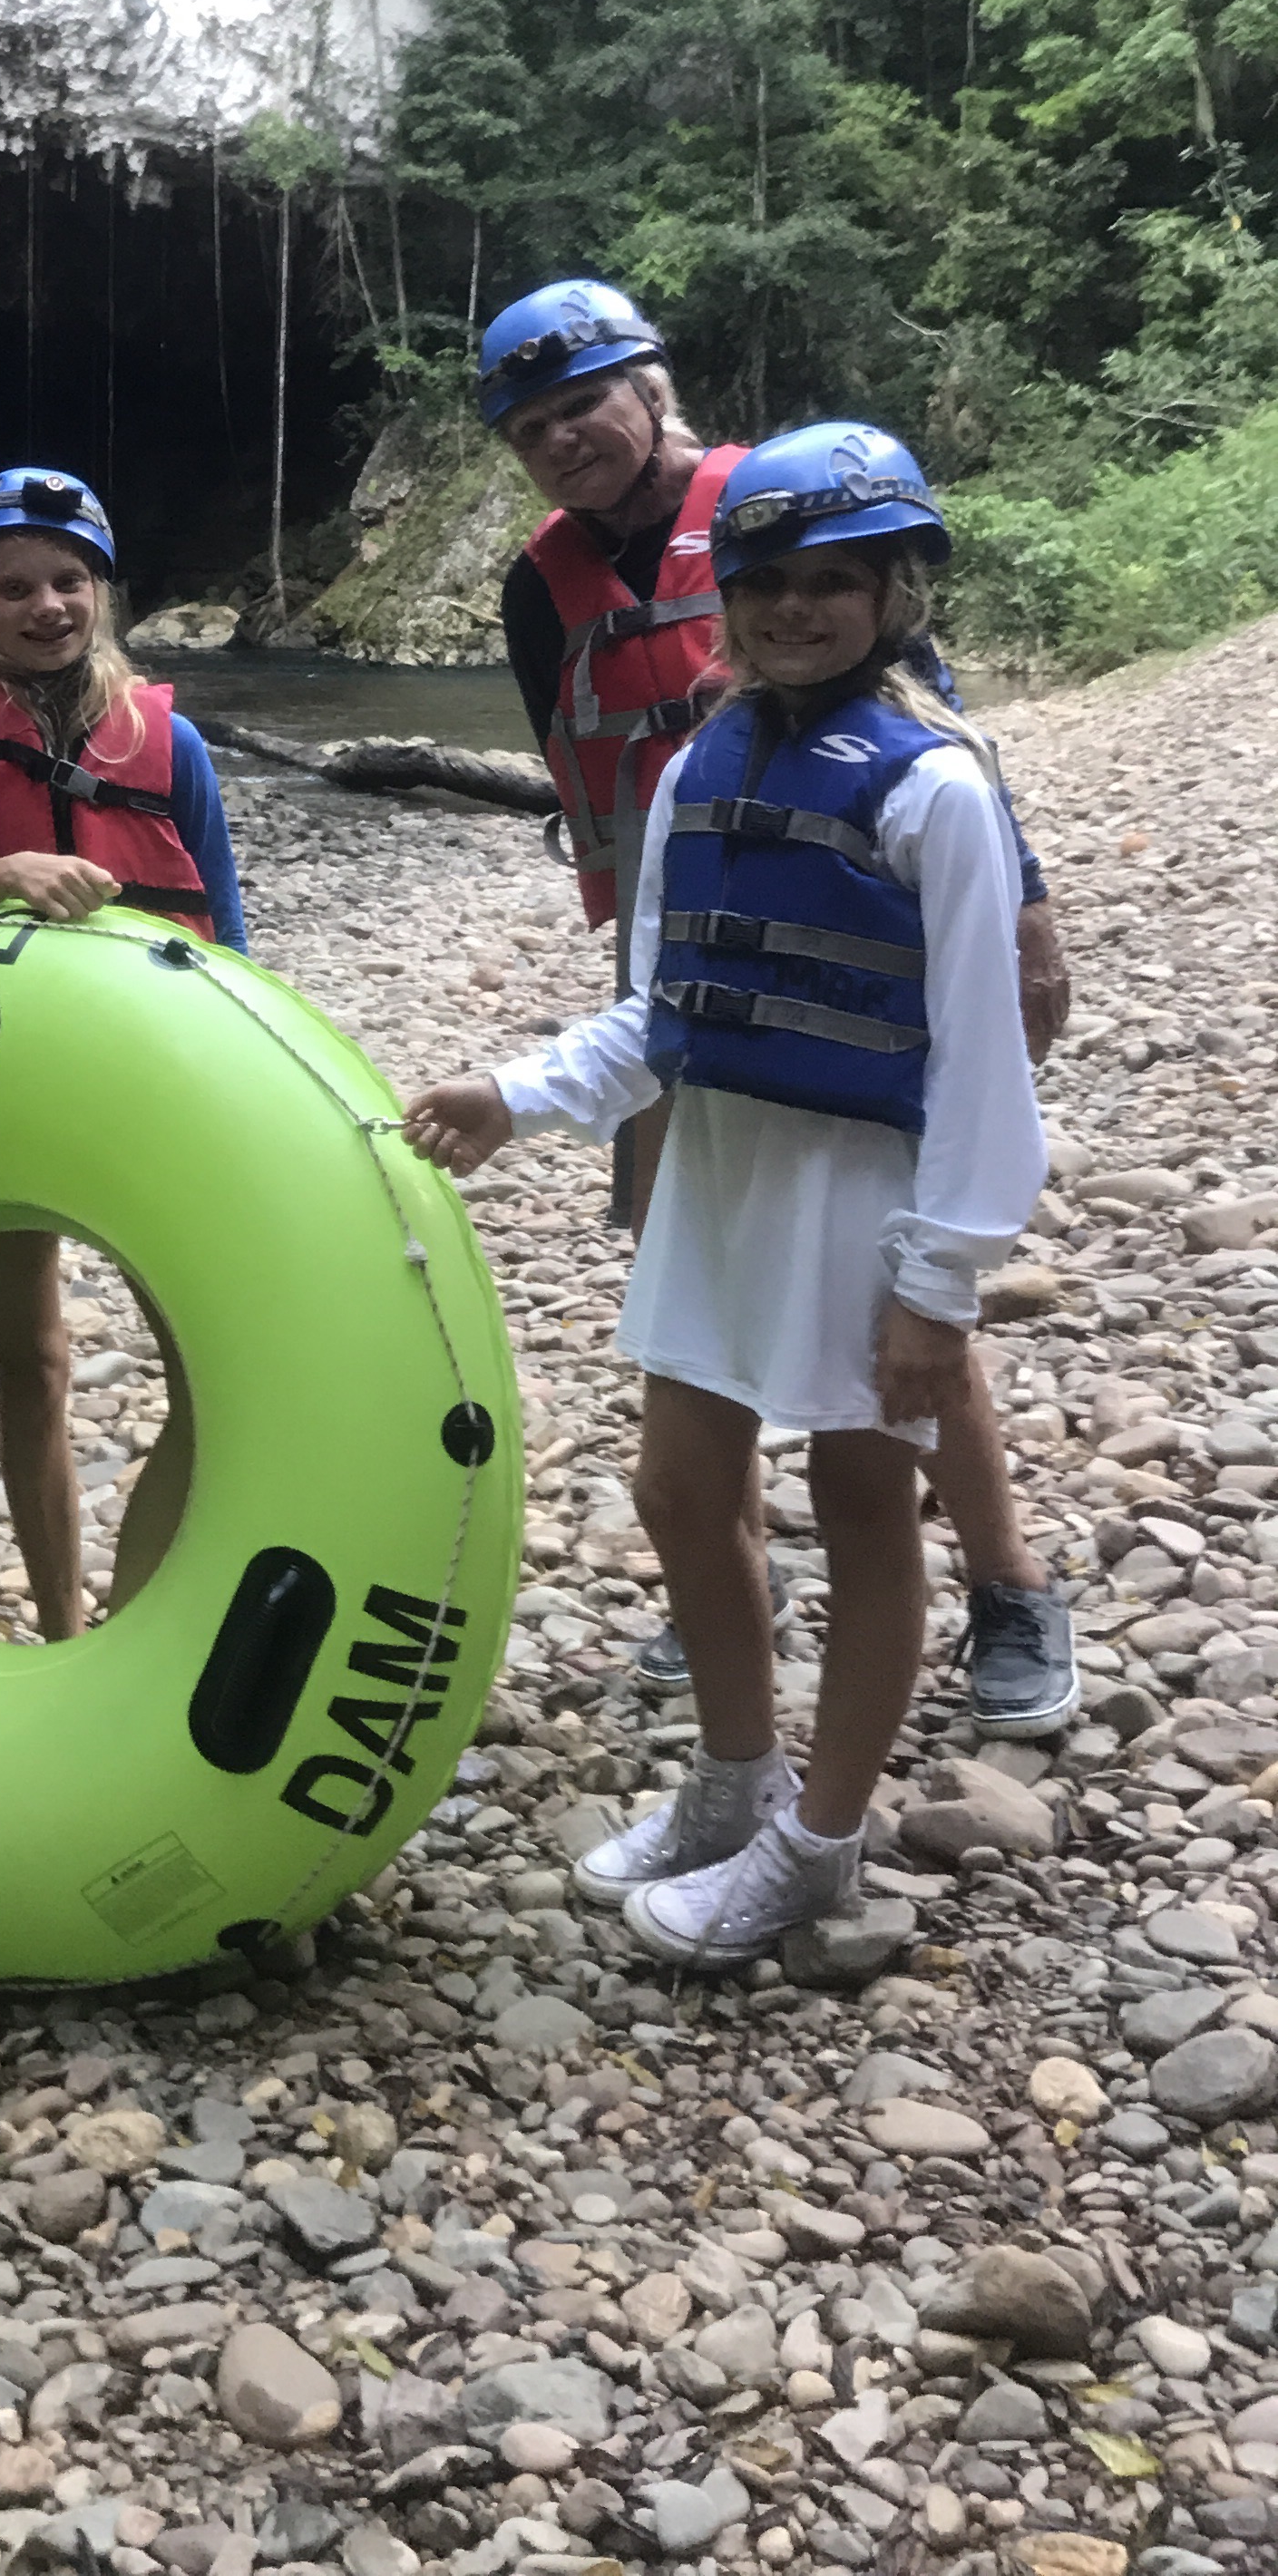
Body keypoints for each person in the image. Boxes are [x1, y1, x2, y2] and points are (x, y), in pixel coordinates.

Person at [405, 425, 1047, 1964]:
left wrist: (938, 1284)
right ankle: (732, 1781)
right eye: (764, 584)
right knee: (678, 1488)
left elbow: (980, 1062)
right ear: (727, 598)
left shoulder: (935, 787)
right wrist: (516, 1093)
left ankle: (817, 1846)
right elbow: (659, 1009)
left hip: (861, 1190)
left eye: (832, 583)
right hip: (715, 1176)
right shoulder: (698, 765)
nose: (794, 611)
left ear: (892, 595)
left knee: (862, 1503)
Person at [475, 279, 1078, 1738]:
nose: (564, 441)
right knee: (692, 1256)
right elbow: (580, 763)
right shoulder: (538, 588)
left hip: (850, 915)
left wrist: (1029, 906)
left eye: (585, 404)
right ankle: (722, 1566)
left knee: (899, 1287)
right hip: (687, 937)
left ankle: (1007, 1583)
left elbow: (929, 722)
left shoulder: (789, 509)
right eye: (532, 427)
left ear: (651, 388)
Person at [0, 469, 249, 1642]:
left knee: (203, 1366)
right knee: (30, 1362)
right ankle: (61, 1631)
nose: (48, 606)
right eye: (16, 587)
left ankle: (153, 1614)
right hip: (9, 1083)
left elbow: (232, 937)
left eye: (70, 581)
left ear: (102, 592)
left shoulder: (171, 742)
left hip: (151, 1080)